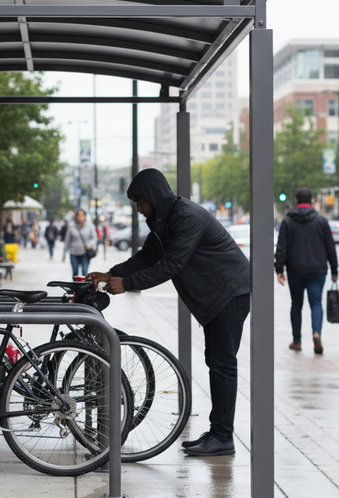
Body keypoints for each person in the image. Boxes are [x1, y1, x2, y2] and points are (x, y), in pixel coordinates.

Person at [87, 168, 250, 457]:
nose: (138, 210)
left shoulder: (187, 217)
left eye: (140, 202)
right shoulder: (163, 219)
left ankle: (223, 436)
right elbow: (147, 257)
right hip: (215, 295)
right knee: (217, 362)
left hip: (229, 291)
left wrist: (127, 284)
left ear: (153, 196)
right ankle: (218, 432)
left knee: (223, 364)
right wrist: (109, 273)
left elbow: (171, 265)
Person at [274, 188, 339, 355]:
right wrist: (334, 269)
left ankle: (297, 341)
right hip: (318, 269)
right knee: (316, 303)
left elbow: (282, 247)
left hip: (295, 269)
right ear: (311, 201)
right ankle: (316, 333)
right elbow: (330, 247)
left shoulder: (288, 221)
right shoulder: (321, 221)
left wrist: (279, 269)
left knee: (296, 304)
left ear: (296, 201)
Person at [63, 208, 98, 277]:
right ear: (75, 217)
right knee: (75, 273)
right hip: (74, 253)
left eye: (82, 215)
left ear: (85, 216)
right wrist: (64, 254)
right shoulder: (71, 227)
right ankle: (75, 287)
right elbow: (67, 241)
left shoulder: (90, 226)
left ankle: (84, 287)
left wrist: (90, 244)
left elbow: (94, 238)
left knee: (85, 273)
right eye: (78, 215)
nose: (80, 217)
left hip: (85, 253)